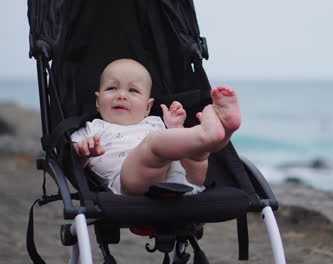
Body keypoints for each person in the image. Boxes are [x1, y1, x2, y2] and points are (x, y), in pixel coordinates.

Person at [71, 58, 241, 195]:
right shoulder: (92, 128)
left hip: (185, 180)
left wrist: (176, 129)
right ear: (98, 102)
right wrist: (83, 152)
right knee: (154, 144)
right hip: (131, 181)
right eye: (112, 88)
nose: (121, 95)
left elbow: (173, 146)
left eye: (133, 91)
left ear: (147, 107)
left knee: (194, 155)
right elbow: (72, 160)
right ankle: (210, 133)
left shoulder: (155, 122)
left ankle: (218, 135)